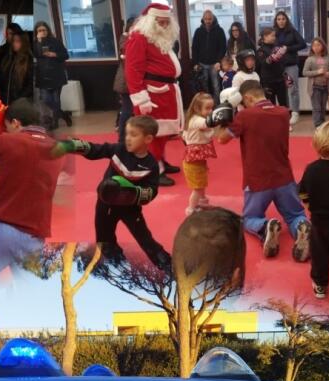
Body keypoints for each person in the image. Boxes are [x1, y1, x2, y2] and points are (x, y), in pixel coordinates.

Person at [0, 98, 63, 301]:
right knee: (30, 293)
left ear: (16, 123)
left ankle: (6, 296)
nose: (6, 130)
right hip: (35, 234)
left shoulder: (8, 141)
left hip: (2, 225)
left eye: (7, 126)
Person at [217, 80, 311, 261]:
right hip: (285, 177)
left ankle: (264, 226)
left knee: (249, 218)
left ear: (247, 98)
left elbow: (221, 139)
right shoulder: (284, 113)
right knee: (295, 215)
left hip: (258, 180)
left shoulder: (245, 117)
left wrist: (226, 116)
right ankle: (302, 226)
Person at [66, 115, 171, 269]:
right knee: (104, 238)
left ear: (148, 139)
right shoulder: (119, 149)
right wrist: (77, 146)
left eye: (133, 135)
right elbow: (97, 150)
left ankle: (167, 264)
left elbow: (151, 191)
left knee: (145, 239)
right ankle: (115, 261)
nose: (128, 138)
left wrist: (132, 193)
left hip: (130, 208)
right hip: (105, 205)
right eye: (127, 133)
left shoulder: (151, 165)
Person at [124, 3, 182, 186]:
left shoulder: (159, 38)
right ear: (151, 21)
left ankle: (160, 161)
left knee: (162, 134)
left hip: (165, 91)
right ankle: (154, 170)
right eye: (160, 22)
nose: (164, 25)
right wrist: (141, 98)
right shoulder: (139, 37)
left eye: (167, 22)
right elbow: (133, 70)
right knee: (152, 134)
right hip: (151, 94)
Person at [181, 92, 217, 214]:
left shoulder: (194, 119)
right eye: (207, 108)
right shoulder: (197, 120)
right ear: (197, 108)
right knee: (197, 188)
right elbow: (207, 124)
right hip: (193, 163)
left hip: (196, 161)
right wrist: (221, 116)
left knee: (201, 183)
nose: (210, 111)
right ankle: (191, 209)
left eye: (212, 108)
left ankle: (202, 201)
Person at [272, 11, 307, 125]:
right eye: (279, 19)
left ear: (286, 20)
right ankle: (284, 112)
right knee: (282, 91)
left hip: (290, 66)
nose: (281, 21)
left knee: (292, 89)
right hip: (277, 67)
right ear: (276, 21)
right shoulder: (273, 33)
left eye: (283, 19)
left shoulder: (292, 31)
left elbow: (303, 44)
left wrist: (288, 48)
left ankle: (295, 112)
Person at [33, 23, 70, 128]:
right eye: (39, 30)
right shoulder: (35, 43)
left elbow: (66, 55)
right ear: (36, 32)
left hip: (56, 75)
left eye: (44, 30)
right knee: (46, 99)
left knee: (56, 100)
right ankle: (63, 115)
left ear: (48, 30)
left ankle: (55, 123)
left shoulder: (55, 41)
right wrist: (39, 42)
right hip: (43, 76)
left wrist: (55, 54)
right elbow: (36, 54)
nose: (42, 32)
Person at [192, 11, 227, 101]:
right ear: (203, 19)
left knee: (216, 87)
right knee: (204, 87)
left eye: (210, 19)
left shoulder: (220, 30)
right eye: (206, 19)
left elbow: (223, 48)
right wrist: (195, 63)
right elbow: (194, 48)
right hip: (202, 64)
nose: (208, 21)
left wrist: (219, 61)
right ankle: (207, 107)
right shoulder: (198, 31)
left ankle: (216, 107)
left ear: (213, 19)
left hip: (214, 64)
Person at [303, 38, 329, 127]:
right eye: (314, 46)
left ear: (323, 46)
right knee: (317, 108)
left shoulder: (328, 58)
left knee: (323, 107)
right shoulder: (310, 59)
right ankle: (317, 125)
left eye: (318, 45)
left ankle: (322, 123)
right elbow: (305, 72)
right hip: (314, 87)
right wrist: (317, 72)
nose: (316, 47)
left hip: (325, 87)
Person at [256, 27, 290, 109]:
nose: (274, 38)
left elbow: (284, 62)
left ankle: (284, 121)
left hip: (280, 80)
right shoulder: (261, 51)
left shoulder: (276, 47)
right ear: (265, 36)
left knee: (284, 104)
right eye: (272, 36)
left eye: (274, 36)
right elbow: (264, 64)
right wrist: (272, 58)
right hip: (268, 81)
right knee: (270, 105)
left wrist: (285, 76)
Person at [0, 32, 34, 104]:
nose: (14, 44)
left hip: (19, 102)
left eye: (18, 41)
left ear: (24, 43)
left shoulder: (29, 61)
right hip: (4, 100)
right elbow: (1, 79)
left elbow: (30, 85)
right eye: (13, 41)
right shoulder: (8, 59)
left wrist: (19, 100)